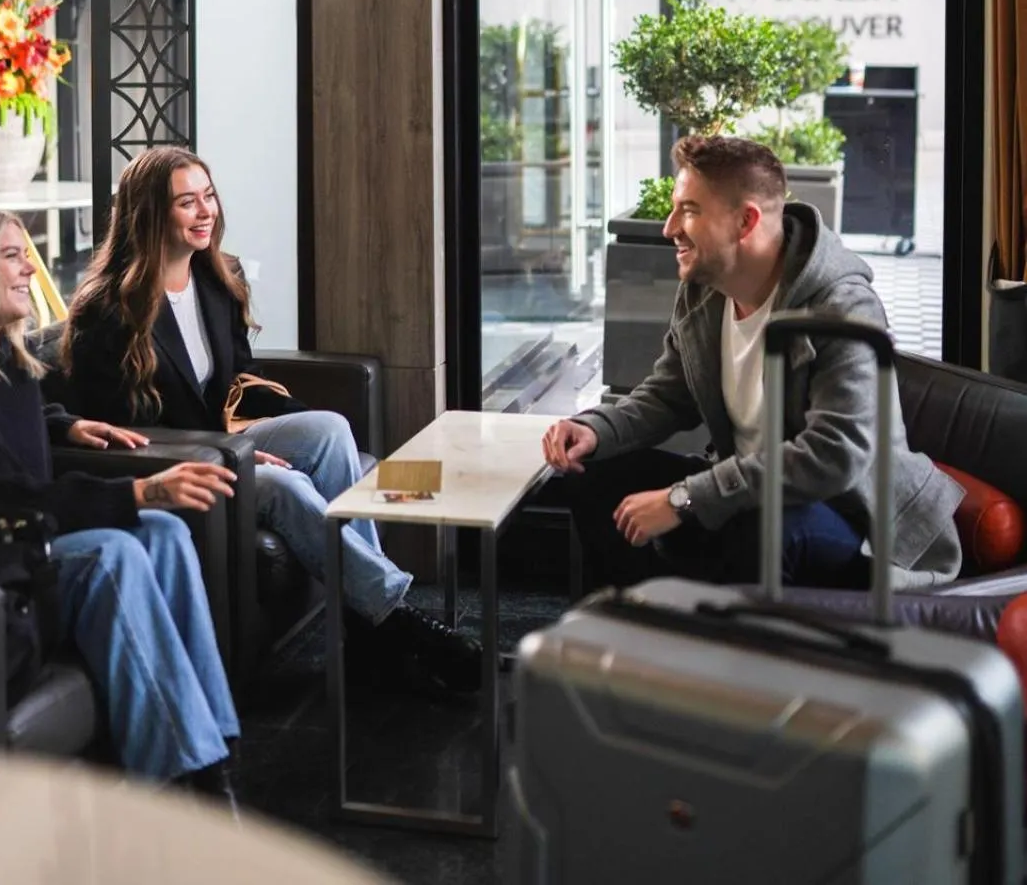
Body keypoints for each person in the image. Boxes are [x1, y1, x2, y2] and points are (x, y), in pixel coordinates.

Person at [61, 147, 480, 694]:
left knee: (330, 429)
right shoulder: (107, 310)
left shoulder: (214, 280)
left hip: (222, 441)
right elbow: (125, 430)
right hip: (177, 462)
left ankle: (368, 630)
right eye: (187, 202)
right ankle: (392, 622)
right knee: (283, 484)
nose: (205, 211)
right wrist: (234, 453)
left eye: (208, 196)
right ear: (149, 215)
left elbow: (242, 381)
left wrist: (293, 428)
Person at [0, 206, 242, 803]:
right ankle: (185, 778)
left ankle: (218, 746)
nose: (31, 267)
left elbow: (9, 446)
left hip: (29, 545)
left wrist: (63, 425)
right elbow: (4, 495)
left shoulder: (9, 364)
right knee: (113, 552)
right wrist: (140, 488)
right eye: (11, 255)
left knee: (167, 534)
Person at [544, 135, 964, 593]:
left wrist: (685, 498)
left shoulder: (842, 306)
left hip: (853, 517)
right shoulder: (704, 290)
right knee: (595, 471)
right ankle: (640, 630)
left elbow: (835, 453)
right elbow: (669, 395)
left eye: (689, 210)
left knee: (760, 526)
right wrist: (596, 429)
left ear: (745, 221)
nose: (668, 228)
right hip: (750, 492)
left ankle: (738, 656)